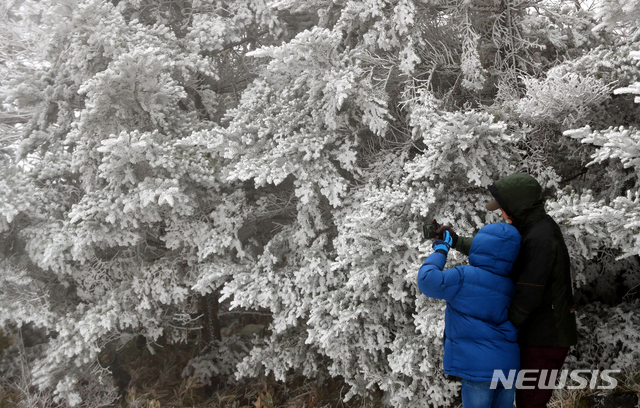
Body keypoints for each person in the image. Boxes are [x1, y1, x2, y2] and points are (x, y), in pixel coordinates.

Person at [439, 173, 578, 408]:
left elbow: (528, 294)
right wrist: (454, 240)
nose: (502, 215)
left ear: (517, 207)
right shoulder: (532, 230)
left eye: (504, 209)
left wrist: (501, 330)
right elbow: (493, 252)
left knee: (530, 404)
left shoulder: (541, 238)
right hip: (537, 335)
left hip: (546, 338)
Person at [418, 223, 521, 408]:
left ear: (480, 245)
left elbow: (427, 281)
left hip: (478, 369)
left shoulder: (463, 277)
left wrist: (441, 250)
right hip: (508, 368)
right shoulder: (512, 285)